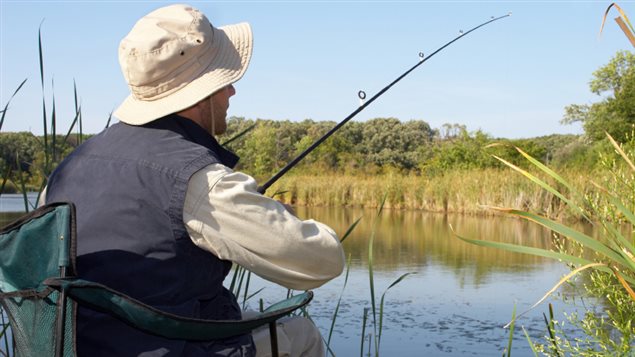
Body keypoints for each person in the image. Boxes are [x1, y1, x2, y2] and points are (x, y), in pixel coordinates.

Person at [43, 4, 345, 356]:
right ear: (200, 93)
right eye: (224, 80)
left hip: (85, 347)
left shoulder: (67, 169)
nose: (231, 92)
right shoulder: (200, 181)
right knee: (299, 332)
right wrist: (282, 217)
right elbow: (322, 261)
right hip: (165, 347)